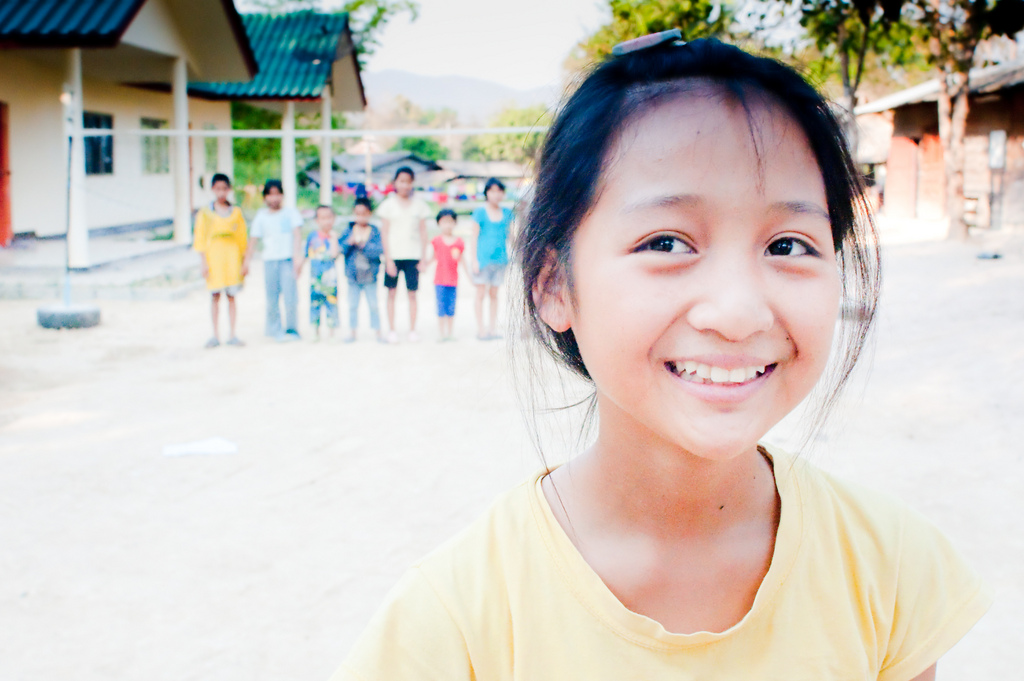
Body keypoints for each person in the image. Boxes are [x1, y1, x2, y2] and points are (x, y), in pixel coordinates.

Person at [330, 35, 991, 681]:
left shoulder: (891, 570)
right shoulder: (451, 627)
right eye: (667, 240)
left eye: (788, 245)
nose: (737, 312)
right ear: (554, 285)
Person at [193, 173, 247, 348]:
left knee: (231, 296)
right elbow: (200, 238)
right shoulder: (206, 213)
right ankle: (215, 335)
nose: (221, 192)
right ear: (213, 190)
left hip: (232, 257)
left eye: (224, 189)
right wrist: (204, 262)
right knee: (215, 296)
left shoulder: (236, 213)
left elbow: (242, 238)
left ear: (229, 190)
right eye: (218, 189)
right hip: (214, 257)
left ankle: (232, 334)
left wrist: (244, 261)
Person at [377, 166, 430, 343]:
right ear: (395, 183)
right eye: (401, 181)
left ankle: (412, 330)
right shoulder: (387, 205)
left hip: (413, 256)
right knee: (391, 293)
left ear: (412, 183)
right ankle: (392, 330)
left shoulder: (420, 206)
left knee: (412, 294)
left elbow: (424, 233)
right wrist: (388, 259)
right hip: (394, 256)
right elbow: (384, 233)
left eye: (408, 181)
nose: (405, 185)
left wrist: (423, 258)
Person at [247, 179, 303, 342]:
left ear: (282, 195)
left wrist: (297, 257)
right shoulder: (261, 216)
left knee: (290, 297)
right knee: (271, 298)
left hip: (287, 260)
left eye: (277, 194)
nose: (274, 198)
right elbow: (253, 239)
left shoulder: (291, 213)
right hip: (270, 261)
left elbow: (297, 235)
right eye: (270, 195)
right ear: (265, 197)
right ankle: (273, 329)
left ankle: (292, 329)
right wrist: (246, 262)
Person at [470, 177, 513, 340]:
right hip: (482, 260)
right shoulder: (480, 213)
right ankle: (481, 329)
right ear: (487, 193)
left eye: (499, 191)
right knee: (480, 293)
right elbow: (473, 237)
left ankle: (492, 328)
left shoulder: (508, 213)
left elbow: (510, 235)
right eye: (492, 191)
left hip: (500, 260)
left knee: (494, 294)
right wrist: (474, 260)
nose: (495, 194)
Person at [339, 197, 384, 343]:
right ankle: (352, 333)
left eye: (364, 214)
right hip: (353, 277)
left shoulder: (375, 231)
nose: (360, 217)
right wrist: (349, 242)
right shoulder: (349, 230)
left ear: (370, 214)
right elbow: (341, 249)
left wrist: (365, 246)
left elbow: (379, 250)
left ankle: (378, 332)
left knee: (374, 305)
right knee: (352, 305)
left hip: (370, 276)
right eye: (357, 214)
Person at [420, 208, 465, 341]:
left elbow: (462, 260)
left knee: (451, 307)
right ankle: (441, 333)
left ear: (455, 223)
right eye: (444, 222)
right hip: (439, 280)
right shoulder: (436, 241)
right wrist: (424, 265)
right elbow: (433, 256)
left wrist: (471, 275)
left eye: (450, 222)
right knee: (440, 307)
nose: (447, 225)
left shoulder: (459, 242)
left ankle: (449, 333)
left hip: (453, 280)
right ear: (439, 224)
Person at [296, 205, 340, 341]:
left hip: (330, 282)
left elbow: (334, 254)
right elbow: (305, 254)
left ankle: (332, 333)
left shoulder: (334, 236)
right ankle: (316, 332)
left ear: (333, 219)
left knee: (331, 306)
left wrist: (333, 238)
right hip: (315, 281)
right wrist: (300, 266)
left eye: (329, 217)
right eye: (322, 218)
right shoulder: (312, 236)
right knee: (314, 306)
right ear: (316, 220)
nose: (326, 221)